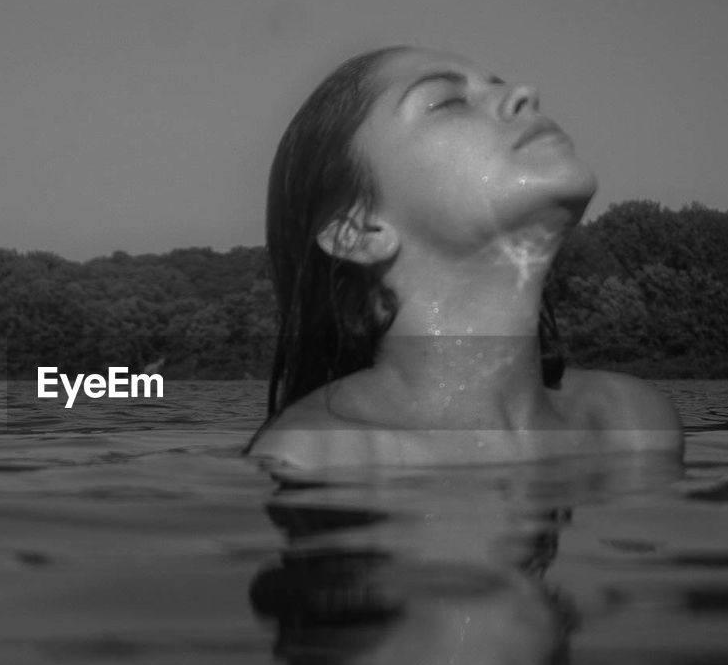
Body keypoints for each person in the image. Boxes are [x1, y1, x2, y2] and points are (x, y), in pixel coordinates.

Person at [246, 46, 683, 470]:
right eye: (448, 101)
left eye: (500, 84)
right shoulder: (318, 455)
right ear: (358, 231)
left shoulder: (635, 426)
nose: (525, 92)